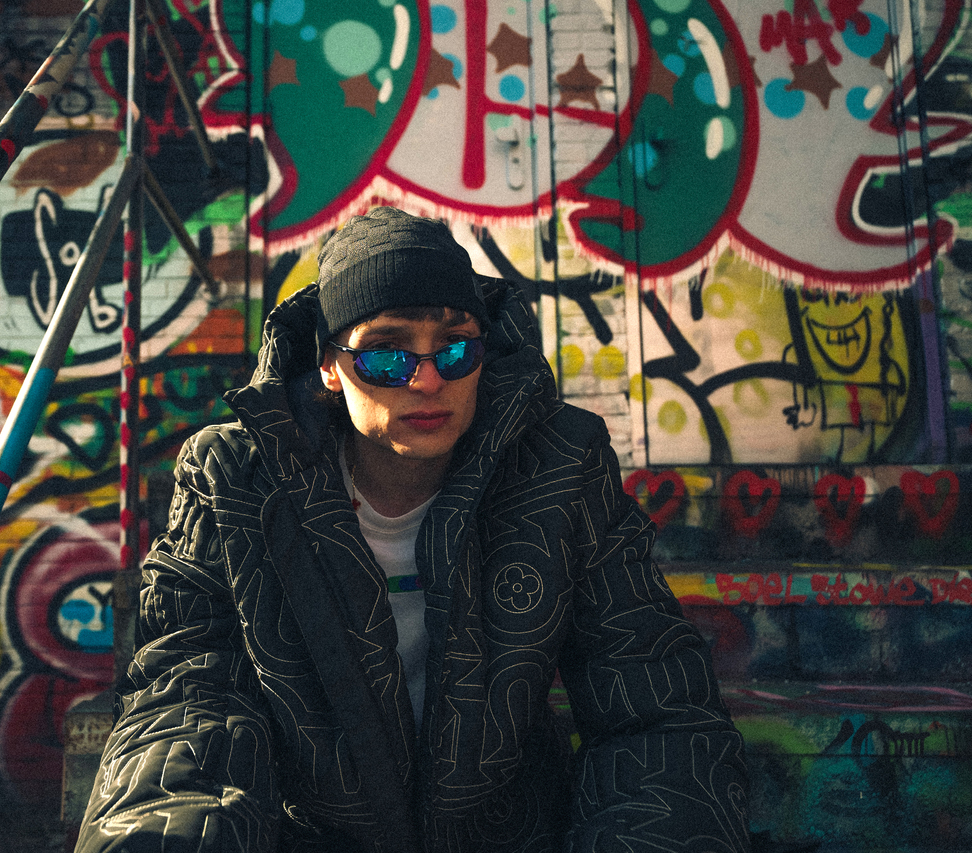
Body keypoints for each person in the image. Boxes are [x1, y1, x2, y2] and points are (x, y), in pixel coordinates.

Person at [76, 207, 752, 853]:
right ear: (330, 366)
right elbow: (189, 700)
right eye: (387, 355)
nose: (428, 380)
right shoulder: (237, 480)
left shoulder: (559, 467)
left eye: (456, 349)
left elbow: (652, 702)